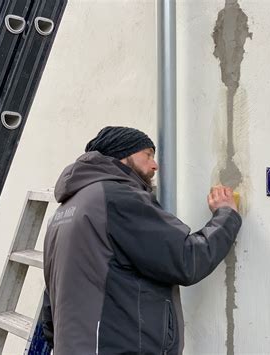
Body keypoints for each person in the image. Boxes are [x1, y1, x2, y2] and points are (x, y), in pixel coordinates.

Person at [42, 126, 242, 354]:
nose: (155, 165)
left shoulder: (65, 210)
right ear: (121, 155)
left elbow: (51, 305)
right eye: (147, 155)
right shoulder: (118, 199)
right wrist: (227, 215)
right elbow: (187, 259)